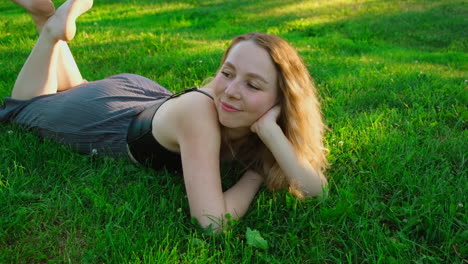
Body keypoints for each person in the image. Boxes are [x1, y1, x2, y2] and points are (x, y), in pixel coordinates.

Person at [2, 0, 328, 229]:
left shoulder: (250, 118)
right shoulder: (201, 113)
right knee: (25, 107)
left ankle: (47, 17)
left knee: (75, 87)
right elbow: (212, 223)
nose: (229, 91)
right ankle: (48, 29)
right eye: (227, 73)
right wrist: (254, 176)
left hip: (139, 98)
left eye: (253, 85)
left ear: (282, 100)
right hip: (110, 120)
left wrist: (271, 133)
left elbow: (316, 190)